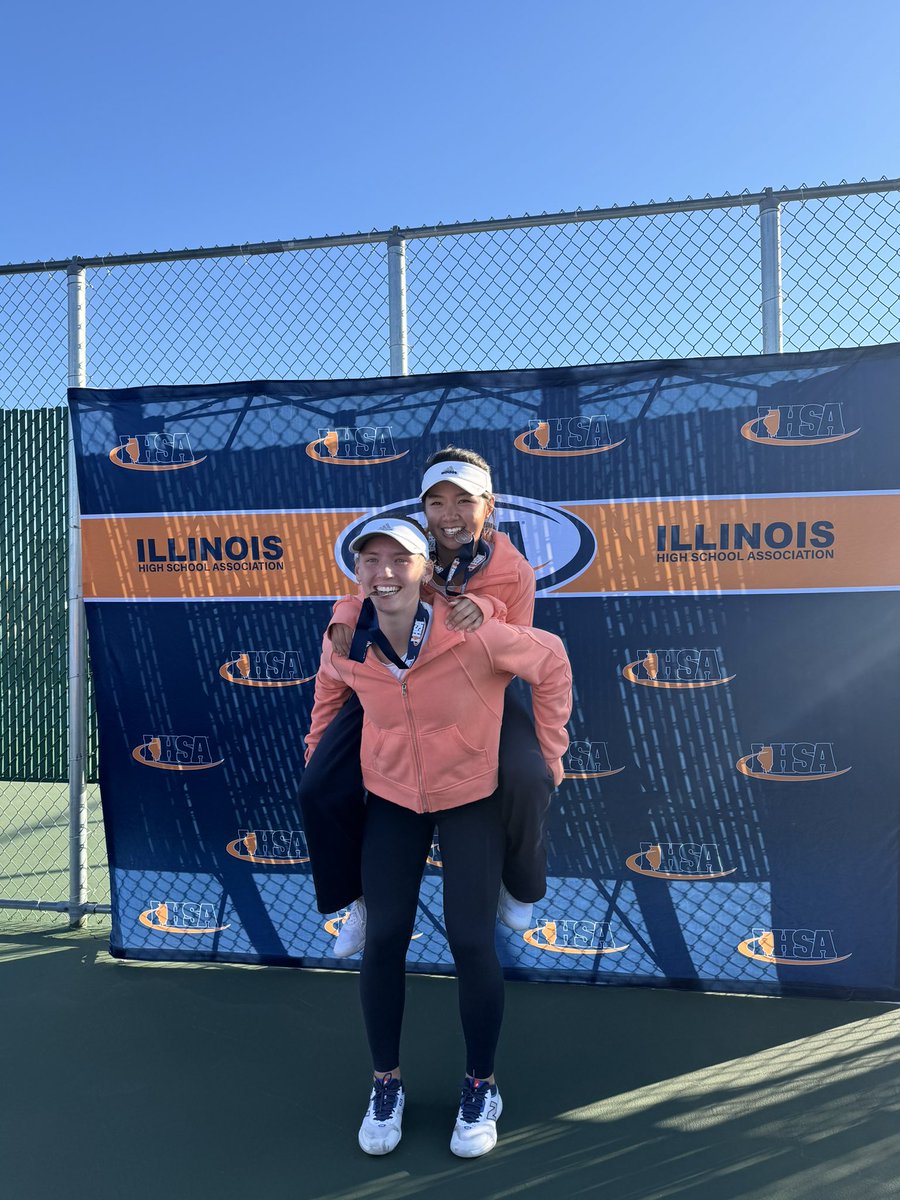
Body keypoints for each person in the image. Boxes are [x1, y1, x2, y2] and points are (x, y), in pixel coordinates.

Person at [304, 517, 572, 1157]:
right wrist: (318, 752)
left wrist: (551, 751)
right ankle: (385, 1084)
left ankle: (482, 1085)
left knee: (471, 939)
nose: (385, 572)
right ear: (358, 574)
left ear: (426, 572)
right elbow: (329, 694)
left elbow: (552, 660)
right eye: (371, 561)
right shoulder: (348, 640)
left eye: (400, 560)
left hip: (470, 797)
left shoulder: (472, 633)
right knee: (386, 939)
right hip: (394, 799)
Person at [300, 447, 553, 957]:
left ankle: (519, 881)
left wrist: (484, 609)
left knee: (529, 776)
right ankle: (360, 900)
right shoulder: (410, 545)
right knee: (317, 785)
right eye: (436, 503)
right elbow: (369, 585)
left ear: (490, 506)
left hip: (476, 691)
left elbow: (521, 651)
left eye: (463, 501)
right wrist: (346, 612)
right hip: (390, 686)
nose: (449, 515)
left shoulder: (513, 570)